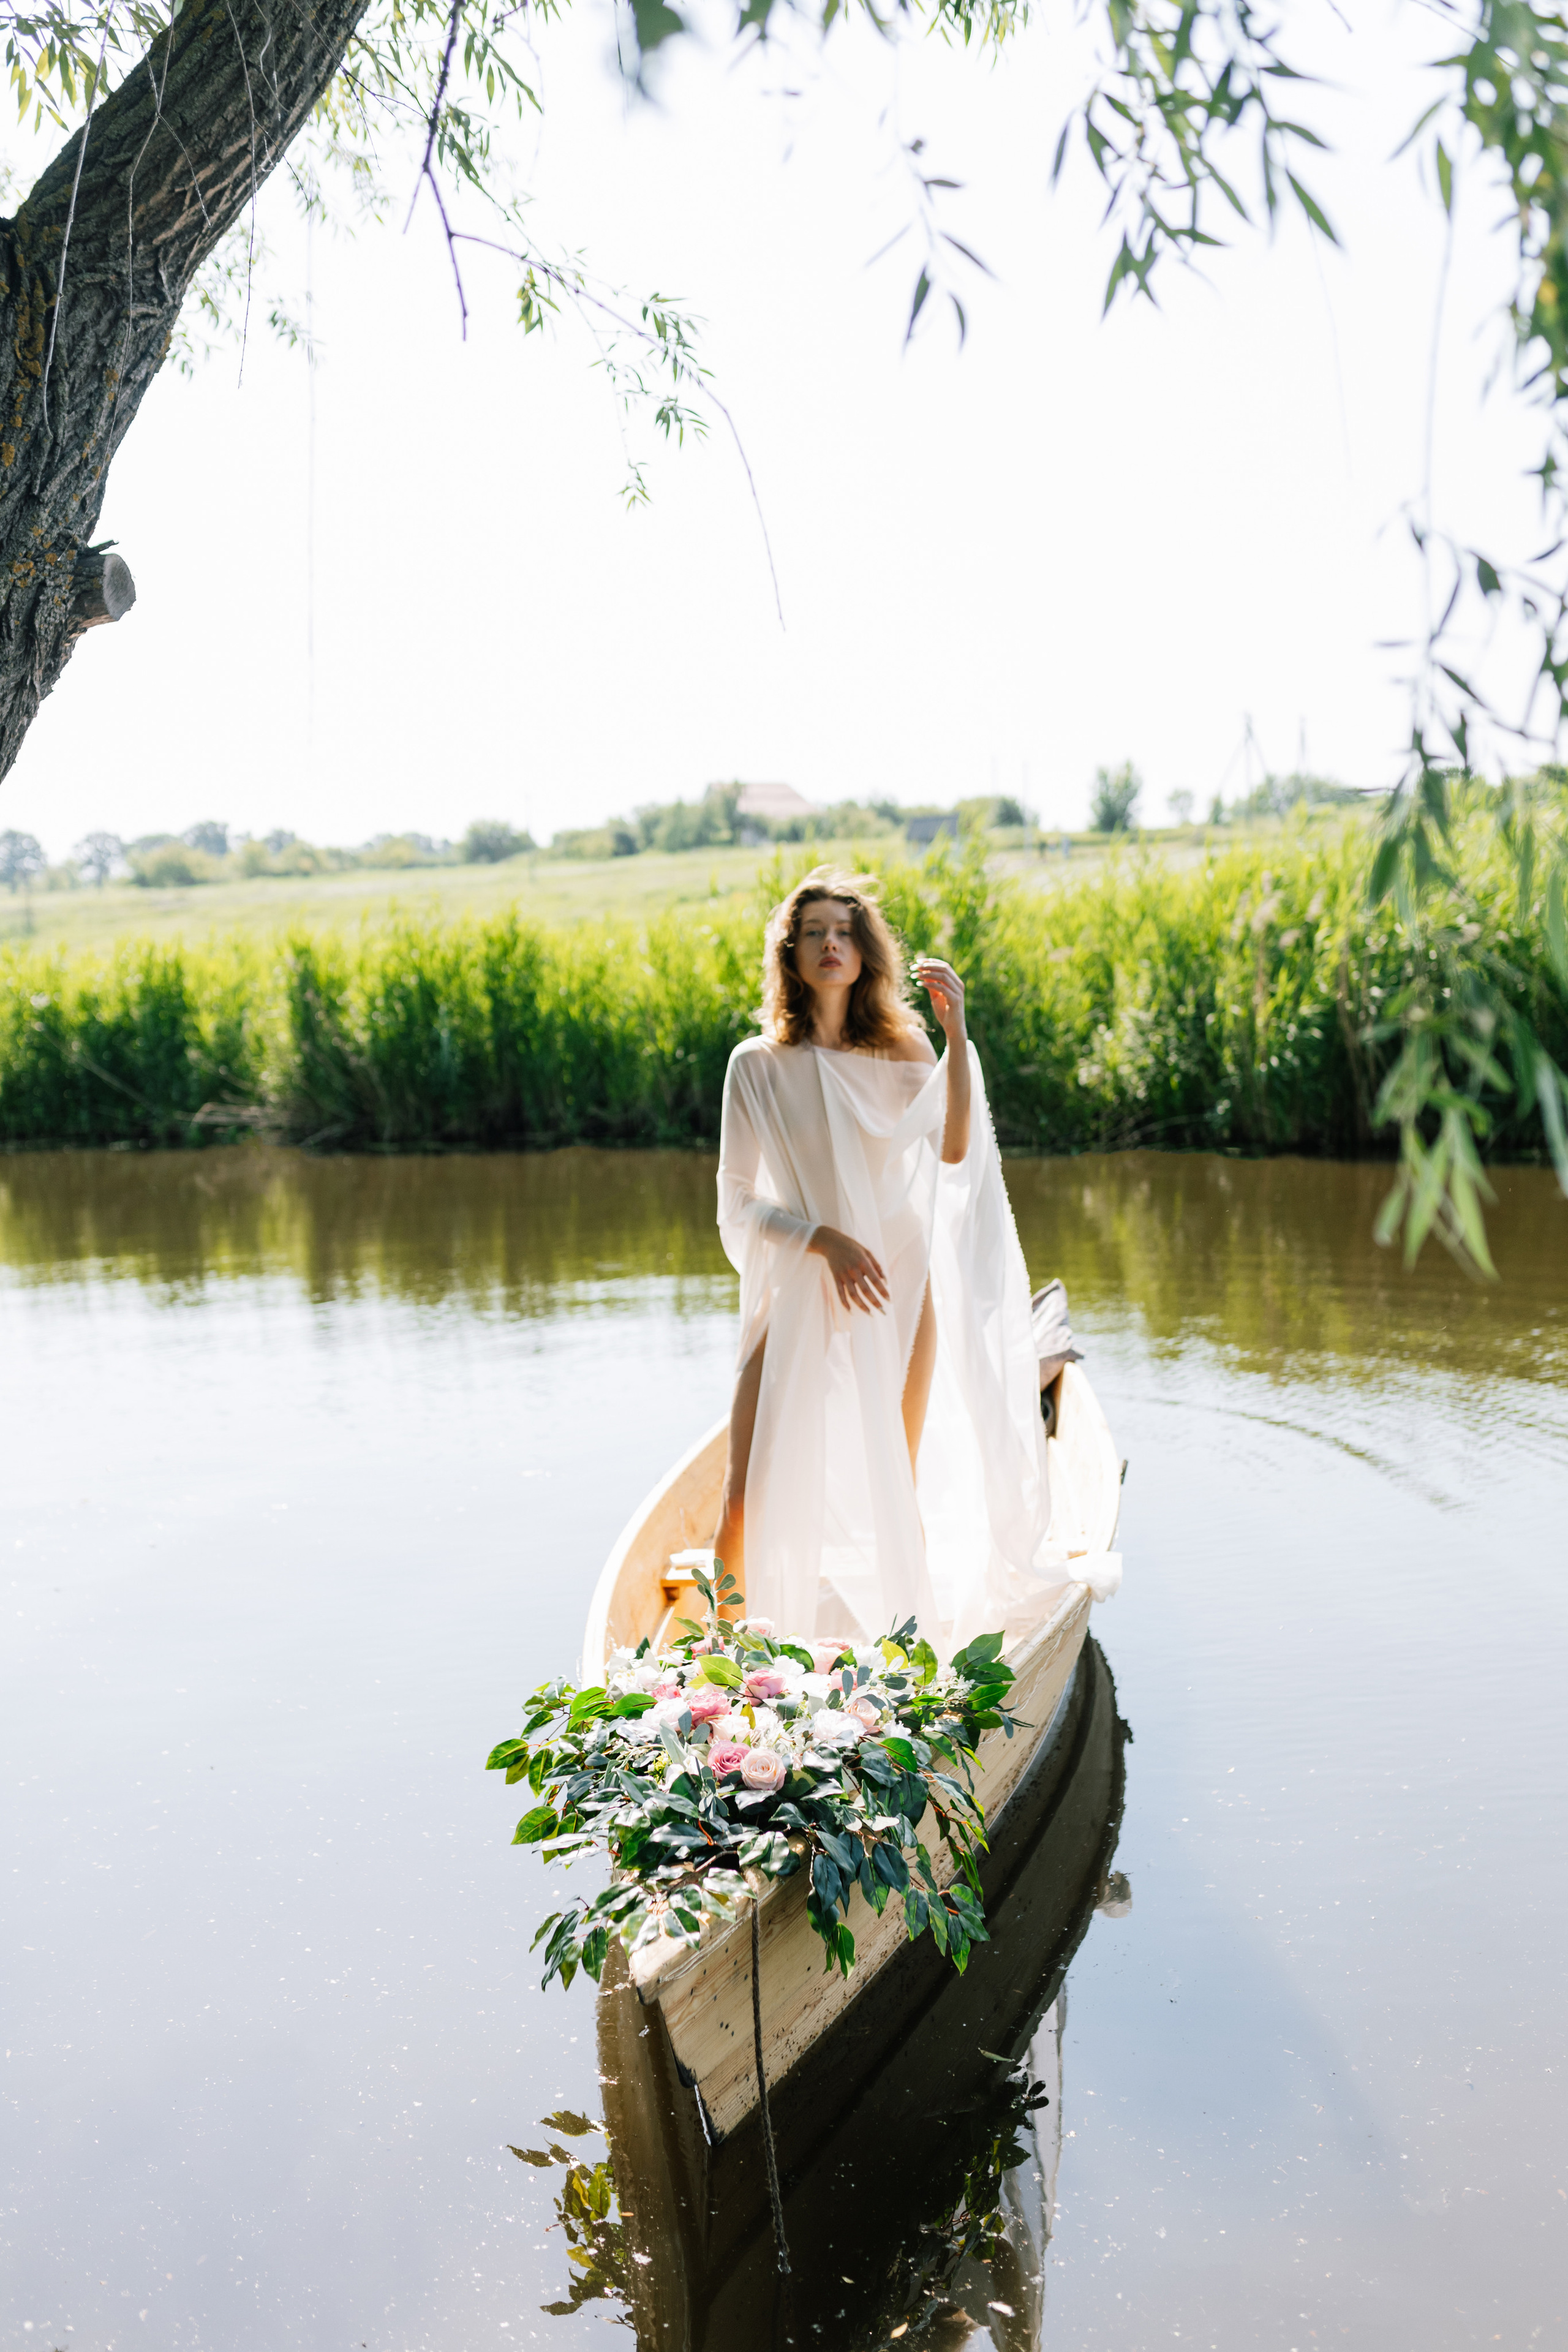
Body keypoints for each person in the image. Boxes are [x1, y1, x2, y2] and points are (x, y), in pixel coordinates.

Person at [712, 865, 1073, 1648]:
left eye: (845, 931)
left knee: (893, 1477)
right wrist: (825, 1241)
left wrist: (957, 1036)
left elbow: (952, 1151)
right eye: (813, 933)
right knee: (747, 1492)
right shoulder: (757, 1065)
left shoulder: (903, 1049)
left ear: (866, 951)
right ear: (790, 954)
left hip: (898, 1286)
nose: (830, 943)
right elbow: (737, 1201)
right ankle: (722, 1650)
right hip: (805, 1281)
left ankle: (900, 1650)